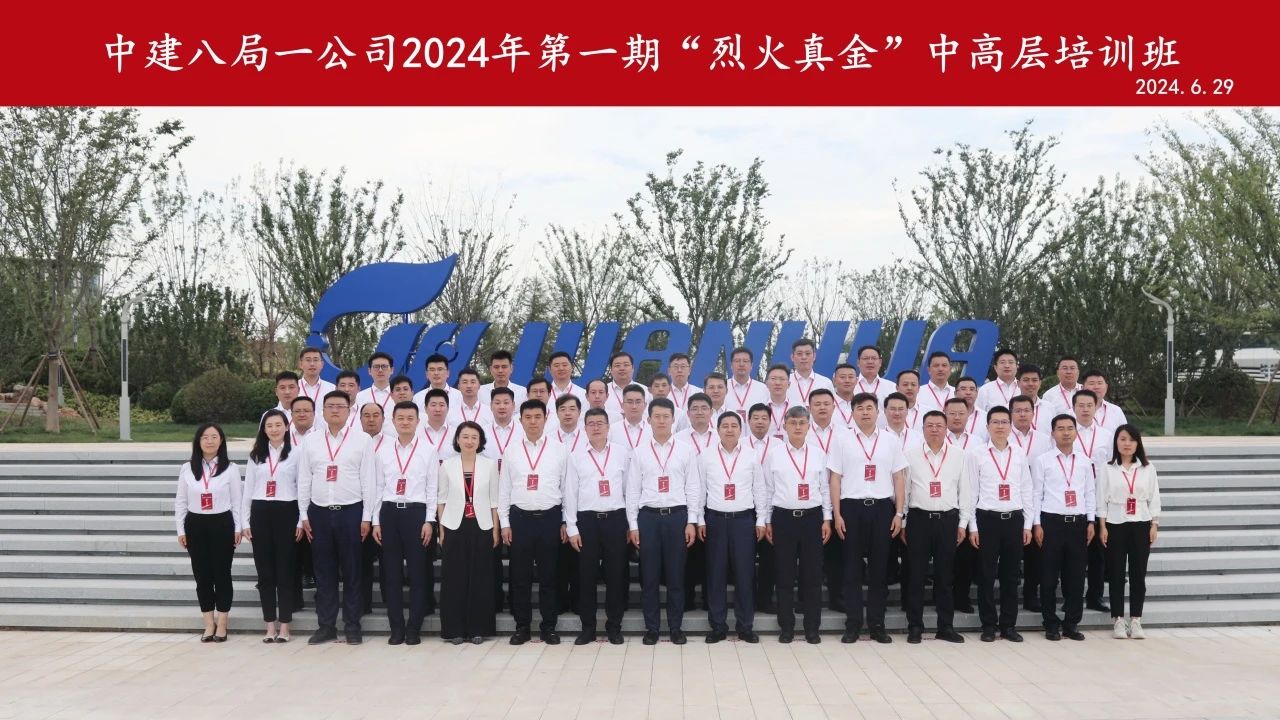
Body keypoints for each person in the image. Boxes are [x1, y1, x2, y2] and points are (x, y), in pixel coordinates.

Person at [298, 391, 377, 645]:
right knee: (324, 572)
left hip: (351, 512)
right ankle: (326, 626)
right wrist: (303, 514)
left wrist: (367, 517)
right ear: (322, 411)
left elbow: (369, 480)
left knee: (353, 571)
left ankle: (352, 626)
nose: (335, 410)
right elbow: (304, 478)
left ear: (349, 410)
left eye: (340, 406)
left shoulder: (362, 440)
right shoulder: (311, 441)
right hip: (319, 512)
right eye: (330, 406)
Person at [828, 392, 908, 644]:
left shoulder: (890, 441)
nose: (865, 412)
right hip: (851, 508)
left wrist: (899, 513)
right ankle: (853, 624)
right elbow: (835, 479)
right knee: (851, 569)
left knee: (879, 569)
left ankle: (877, 624)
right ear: (852, 412)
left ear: (877, 411)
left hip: (882, 509)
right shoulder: (841, 440)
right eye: (860, 408)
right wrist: (837, 514)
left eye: (869, 408)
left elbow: (899, 478)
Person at [626, 398, 699, 645]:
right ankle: (652, 628)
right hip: (648, 518)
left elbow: (693, 488)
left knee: (676, 577)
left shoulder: (686, 450)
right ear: (649, 420)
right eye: (656, 416)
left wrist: (691, 521)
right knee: (649, 577)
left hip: (677, 517)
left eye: (666, 416)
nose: (661, 421)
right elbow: (632, 491)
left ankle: (676, 627)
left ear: (673, 420)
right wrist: (633, 525)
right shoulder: (639, 452)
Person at [500, 399, 569, 645]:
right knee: (520, 577)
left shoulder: (559, 449)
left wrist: (565, 521)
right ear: (520, 420)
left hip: (550, 518)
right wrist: (505, 523)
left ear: (546, 418)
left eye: (537, 417)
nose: (532, 422)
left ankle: (549, 626)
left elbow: (567, 488)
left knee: (550, 576)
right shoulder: (511, 451)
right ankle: (522, 626)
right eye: (527, 417)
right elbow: (504, 489)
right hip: (520, 519)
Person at [371, 401, 439, 645]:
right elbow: (378, 488)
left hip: (416, 514)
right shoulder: (383, 452)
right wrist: (376, 521)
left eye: (410, 418)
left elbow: (432, 489)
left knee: (418, 573)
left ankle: (414, 628)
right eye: (400, 418)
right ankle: (397, 628)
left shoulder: (429, 451)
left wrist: (429, 520)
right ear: (393, 421)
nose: (405, 422)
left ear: (418, 421)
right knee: (391, 574)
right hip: (389, 513)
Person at [697, 411, 767, 643]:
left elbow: (759, 489)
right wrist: (699, 519)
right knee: (715, 574)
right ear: (717, 430)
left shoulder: (751, 455)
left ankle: (745, 625)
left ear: (740, 429)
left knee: (745, 574)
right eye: (724, 425)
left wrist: (761, 519)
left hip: (743, 520)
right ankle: (718, 626)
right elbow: (700, 490)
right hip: (715, 520)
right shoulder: (706, 456)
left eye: (734, 425)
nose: (729, 429)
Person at [764, 406, 832, 643]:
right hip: (783, 518)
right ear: (785, 426)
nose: (797, 427)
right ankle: (787, 627)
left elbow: (824, 489)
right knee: (784, 575)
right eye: (793, 423)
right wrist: (767, 520)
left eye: (802, 423)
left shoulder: (818, 454)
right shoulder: (774, 454)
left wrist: (827, 519)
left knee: (812, 575)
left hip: (812, 518)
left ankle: (812, 627)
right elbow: (768, 489)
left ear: (808, 426)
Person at [564, 407, 631, 645]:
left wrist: (630, 523)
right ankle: (588, 628)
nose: (596, 427)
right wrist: (572, 527)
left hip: (615, 519)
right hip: (587, 521)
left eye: (600, 423)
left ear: (608, 426)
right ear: (584, 428)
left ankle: (614, 626)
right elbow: (570, 493)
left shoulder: (622, 453)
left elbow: (629, 490)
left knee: (616, 575)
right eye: (591, 423)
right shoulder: (576, 456)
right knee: (586, 576)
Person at [902, 410, 969, 643]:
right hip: (918, 519)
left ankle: (945, 627)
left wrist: (963, 523)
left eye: (939, 425)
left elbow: (965, 491)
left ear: (946, 428)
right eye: (929, 425)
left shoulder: (959, 455)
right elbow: (905, 491)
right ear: (922, 429)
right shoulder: (910, 455)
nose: (934, 429)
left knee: (945, 576)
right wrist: (903, 522)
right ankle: (915, 626)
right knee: (916, 575)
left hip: (948, 520)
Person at [967, 406, 1033, 642]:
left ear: (1010, 426)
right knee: (986, 575)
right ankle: (988, 625)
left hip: (1014, 519)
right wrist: (973, 527)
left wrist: (1028, 524)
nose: (1000, 426)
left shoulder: (1019, 453)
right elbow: (971, 492)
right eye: (995, 422)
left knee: (1011, 576)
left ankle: (1008, 625)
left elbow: (1026, 489)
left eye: (1005, 422)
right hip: (987, 519)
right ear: (987, 426)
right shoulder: (976, 454)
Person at [175, 423, 242, 642]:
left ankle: (222, 623)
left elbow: (237, 501)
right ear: (198, 441)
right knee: (202, 576)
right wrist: (181, 529)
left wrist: (238, 527)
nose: (210, 441)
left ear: (221, 441)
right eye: (205, 437)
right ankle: (208, 623)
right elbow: (180, 502)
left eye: (214, 437)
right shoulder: (187, 468)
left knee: (222, 574)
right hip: (195, 524)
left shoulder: (230, 468)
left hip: (222, 523)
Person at [1031, 413, 1095, 642]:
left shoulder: (1085, 461)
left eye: (1070, 428)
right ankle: (1050, 623)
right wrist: (1036, 523)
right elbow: (1036, 494)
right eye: (1061, 428)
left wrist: (1091, 521)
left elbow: (1089, 492)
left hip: (1078, 523)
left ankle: (1071, 623)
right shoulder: (1043, 461)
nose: (1066, 433)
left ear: (1076, 432)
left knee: (1075, 577)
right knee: (1048, 577)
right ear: (1052, 433)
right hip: (1051, 523)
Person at [438, 421, 501, 644]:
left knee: (481, 578)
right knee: (454, 578)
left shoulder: (489, 465)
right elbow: (441, 499)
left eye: (474, 437)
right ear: (457, 439)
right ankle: (454, 630)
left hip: (482, 525)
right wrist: (441, 529)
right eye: (465, 436)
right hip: (454, 525)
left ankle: (478, 629)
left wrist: (495, 529)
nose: (469, 441)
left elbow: (494, 500)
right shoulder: (447, 465)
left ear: (480, 441)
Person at [242, 410, 301, 643]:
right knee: (265, 573)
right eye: (269, 426)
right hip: (260, 512)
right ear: (263, 429)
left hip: (287, 512)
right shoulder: (256, 455)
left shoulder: (297, 453)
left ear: (287, 427)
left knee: (285, 571)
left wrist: (301, 519)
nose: (274, 429)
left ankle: (285, 626)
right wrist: (245, 521)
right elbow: (248, 489)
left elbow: (302, 487)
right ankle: (269, 625)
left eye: (278, 425)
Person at [1099, 424, 1161, 640]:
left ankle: (1136, 619)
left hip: (1141, 524)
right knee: (1116, 573)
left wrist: (1154, 524)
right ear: (1116, 442)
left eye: (1132, 440)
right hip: (1115, 524)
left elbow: (1154, 497)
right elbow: (1101, 499)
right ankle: (1118, 619)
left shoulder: (1147, 468)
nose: (1127, 444)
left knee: (1138, 574)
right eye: (1123, 439)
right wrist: (1102, 526)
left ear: (1138, 443)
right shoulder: (1107, 468)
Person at [1073, 389, 1114, 613]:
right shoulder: (1066, 432)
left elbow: (1112, 467)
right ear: (1074, 407)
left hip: (1099, 498)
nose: (1085, 409)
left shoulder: (1106, 436)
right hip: (1074, 498)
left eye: (1090, 405)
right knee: (1074, 553)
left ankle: (1095, 596)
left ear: (1096, 407)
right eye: (1081, 405)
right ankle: (1073, 596)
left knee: (1098, 552)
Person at [1010, 394, 1050, 612]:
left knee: (1035, 552)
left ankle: (1031, 594)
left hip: (1037, 500)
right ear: (1011, 413)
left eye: (1027, 410)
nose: (1023, 414)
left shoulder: (1044, 440)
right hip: (1009, 500)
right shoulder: (1002, 435)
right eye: (1018, 410)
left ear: (1033, 413)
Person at [355, 352, 397, 434]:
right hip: (367, 439)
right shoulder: (359, 397)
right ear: (369, 371)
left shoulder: (399, 396)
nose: (380, 370)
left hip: (394, 439)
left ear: (392, 370)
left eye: (384, 366)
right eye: (376, 367)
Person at [787, 338, 835, 406]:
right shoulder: (784, 382)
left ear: (814, 356)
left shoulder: (826, 383)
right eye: (799, 354)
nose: (804, 357)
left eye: (807, 353)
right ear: (792, 357)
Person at [605, 351, 650, 423]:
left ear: (633, 368)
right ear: (611, 370)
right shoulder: (603, 391)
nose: (622, 368)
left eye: (626, 365)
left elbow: (650, 415)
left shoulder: (646, 391)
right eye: (617, 365)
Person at [727, 347, 769, 419]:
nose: (741, 364)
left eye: (745, 361)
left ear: (751, 365)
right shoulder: (723, 387)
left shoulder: (763, 388)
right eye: (737, 361)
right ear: (731, 365)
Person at [975, 348, 1020, 414]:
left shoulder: (1024, 387)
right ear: (995, 367)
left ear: (1017, 366)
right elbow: (978, 415)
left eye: (1011, 362)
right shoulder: (985, 390)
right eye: (1002, 362)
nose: (1007, 366)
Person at [609, 384, 651, 450]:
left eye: (638, 402)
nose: (634, 406)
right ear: (622, 405)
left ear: (645, 405)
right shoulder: (611, 430)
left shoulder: (652, 430)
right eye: (630, 402)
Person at [763, 364, 792, 438]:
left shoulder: (797, 407)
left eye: (782, 379)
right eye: (773, 379)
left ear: (789, 384)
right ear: (766, 384)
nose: (778, 383)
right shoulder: (760, 408)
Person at [1017, 364, 1046, 431]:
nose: (1030, 384)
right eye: (1026, 380)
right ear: (1018, 383)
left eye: (1034, 380)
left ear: (1040, 383)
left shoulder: (1050, 408)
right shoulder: (1008, 408)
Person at [831, 362, 859, 430]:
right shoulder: (827, 404)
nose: (847, 380)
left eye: (850, 377)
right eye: (842, 377)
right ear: (834, 381)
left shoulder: (862, 404)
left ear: (856, 381)